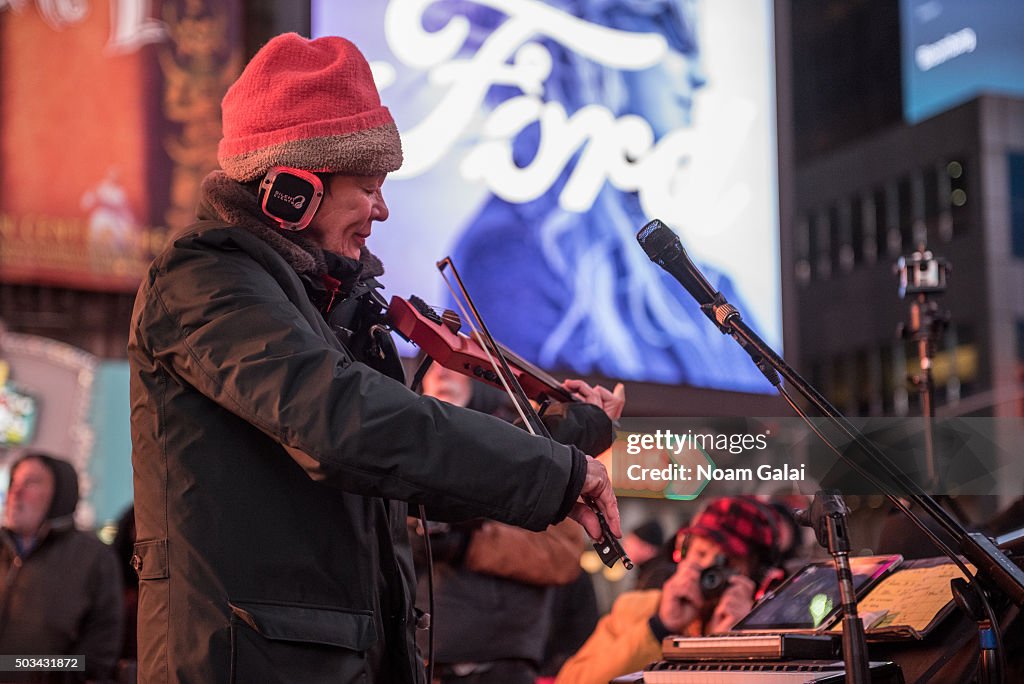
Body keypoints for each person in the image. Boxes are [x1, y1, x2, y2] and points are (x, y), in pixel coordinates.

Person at [127, 32, 621, 684]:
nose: (381, 211)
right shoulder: (203, 280)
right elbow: (345, 422)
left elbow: (415, 464)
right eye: (368, 186)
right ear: (290, 192)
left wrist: (567, 442)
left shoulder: (333, 303)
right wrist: (556, 473)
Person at [441, 0, 773, 392]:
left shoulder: (682, 268)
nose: (700, 76)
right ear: (591, 50)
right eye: (672, 37)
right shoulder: (507, 259)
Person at [413, 363, 623, 684]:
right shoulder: (410, 453)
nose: (442, 374)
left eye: (453, 366)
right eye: (432, 366)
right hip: (420, 654)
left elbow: (561, 556)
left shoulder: (522, 445)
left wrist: (471, 543)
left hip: (501, 661)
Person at [554, 496, 779, 684]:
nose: (708, 570)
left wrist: (737, 647)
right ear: (682, 555)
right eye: (700, 554)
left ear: (755, 576)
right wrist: (658, 629)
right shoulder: (635, 608)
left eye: (727, 563)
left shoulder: (771, 631)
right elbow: (572, 680)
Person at [0, 452, 124, 682]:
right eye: (13, 482)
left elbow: (96, 658)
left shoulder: (93, 559)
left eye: (30, 483)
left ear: (60, 494)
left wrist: (18, 665)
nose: (15, 493)